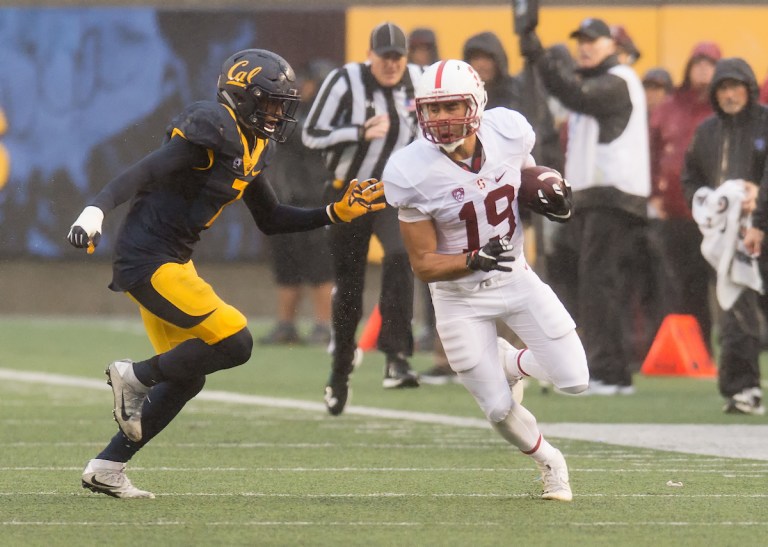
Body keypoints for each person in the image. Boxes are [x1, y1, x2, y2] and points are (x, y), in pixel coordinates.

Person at [67, 49, 386, 499]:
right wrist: (95, 209)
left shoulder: (253, 144)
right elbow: (142, 172)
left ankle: (108, 466)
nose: (278, 113)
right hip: (147, 259)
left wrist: (335, 212)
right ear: (242, 96)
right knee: (236, 341)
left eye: (282, 104)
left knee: (187, 375)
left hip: (173, 261)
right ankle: (134, 376)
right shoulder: (210, 128)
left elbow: (272, 218)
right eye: (271, 102)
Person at [383, 59, 589, 501]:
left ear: (476, 103)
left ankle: (510, 363)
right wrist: (472, 259)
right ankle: (551, 462)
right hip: (459, 297)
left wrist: (549, 193)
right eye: (432, 109)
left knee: (575, 379)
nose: (441, 118)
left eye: (452, 105)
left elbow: (526, 178)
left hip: (515, 275)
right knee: (498, 409)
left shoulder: (509, 132)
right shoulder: (410, 170)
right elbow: (422, 263)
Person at [520, 17, 650, 395]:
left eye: (594, 40)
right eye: (581, 41)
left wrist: (542, 59)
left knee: (601, 283)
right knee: (594, 283)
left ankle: (611, 372)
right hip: (595, 198)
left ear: (613, 45)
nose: (585, 47)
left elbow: (577, 95)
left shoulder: (620, 79)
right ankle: (602, 365)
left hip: (614, 197)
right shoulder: (599, 82)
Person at [303, 22, 423, 415]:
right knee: (349, 284)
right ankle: (339, 373)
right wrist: (358, 131)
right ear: (370, 55)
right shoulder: (345, 80)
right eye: (384, 56)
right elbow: (311, 133)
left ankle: (396, 356)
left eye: (398, 57)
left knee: (400, 256)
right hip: (347, 192)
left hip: (392, 191)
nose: (391, 64)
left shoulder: (419, 81)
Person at [684, 57, 768, 416]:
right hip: (728, 237)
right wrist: (704, 206)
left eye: (736, 87)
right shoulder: (707, 132)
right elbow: (691, 178)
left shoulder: (765, 122)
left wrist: (758, 207)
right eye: (723, 88)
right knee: (734, 310)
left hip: (761, 229)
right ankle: (743, 388)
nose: (730, 94)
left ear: (749, 88)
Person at [649, 42, 721, 352]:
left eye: (710, 63)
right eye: (698, 63)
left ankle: (718, 347)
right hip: (676, 213)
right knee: (680, 285)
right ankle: (685, 350)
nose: (703, 69)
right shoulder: (670, 107)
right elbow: (650, 151)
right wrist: (653, 193)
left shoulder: (724, 108)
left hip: (718, 215)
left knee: (720, 284)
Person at [259, 59, 336, 346]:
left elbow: (303, 136)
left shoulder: (330, 118)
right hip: (285, 199)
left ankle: (324, 325)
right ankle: (286, 325)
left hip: (315, 200)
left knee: (319, 267)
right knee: (286, 267)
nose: (305, 87)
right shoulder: (294, 112)